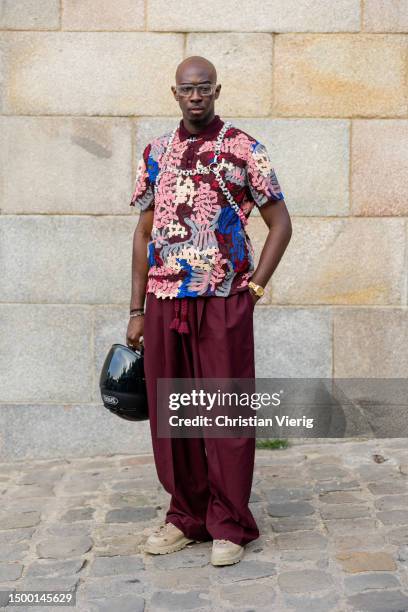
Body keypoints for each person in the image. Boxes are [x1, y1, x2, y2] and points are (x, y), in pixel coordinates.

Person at [126, 56, 292, 566]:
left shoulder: (245, 149)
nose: (195, 96)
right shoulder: (156, 152)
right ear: (173, 93)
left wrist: (255, 289)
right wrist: (136, 308)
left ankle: (229, 524)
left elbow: (280, 223)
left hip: (223, 301)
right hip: (165, 301)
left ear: (216, 90)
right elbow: (143, 232)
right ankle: (187, 517)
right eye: (186, 89)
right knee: (170, 417)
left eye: (204, 88)